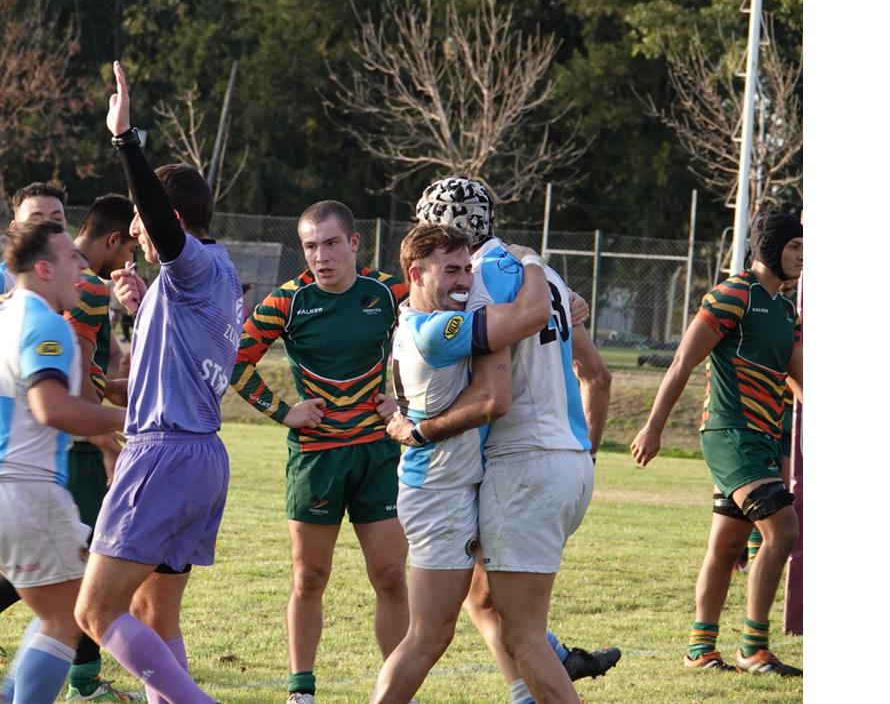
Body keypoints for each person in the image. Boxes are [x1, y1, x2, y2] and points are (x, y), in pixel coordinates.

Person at [407, 178, 620, 703]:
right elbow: (597, 374)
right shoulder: (540, 272)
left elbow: (492, 396)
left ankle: (546, 670)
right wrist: (583, 450)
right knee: (486, 597)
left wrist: (418, 427)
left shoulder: (473, 282)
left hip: (523, 464)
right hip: (569, 463)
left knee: (523, 633)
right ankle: (532, 686)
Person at [71, 61, 244, 704]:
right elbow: (182, 352)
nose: (135, 230)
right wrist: (144, 306)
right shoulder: (217, 278)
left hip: (163, 455)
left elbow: (163, 225)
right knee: (152, 616)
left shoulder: (192, 263)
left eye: (142, 220)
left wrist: (126, 141)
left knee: (94, 614)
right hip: (199, 455)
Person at [0, 193, 140, 702]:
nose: (82, 269)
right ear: (44, 268)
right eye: (73, 260)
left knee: (63, 612)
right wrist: (135, 421)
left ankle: (1, 691)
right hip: (23, 489)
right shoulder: (44, 322)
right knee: (71, 616)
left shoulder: (6, 319)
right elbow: (53, 407)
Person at [229, 199, 405, 704]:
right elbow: (236, 363)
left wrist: (407, 400)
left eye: (331, 243)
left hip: (377, 454)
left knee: (391, 576)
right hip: (316, 457)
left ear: (353, 243)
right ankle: (301, 691)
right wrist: (284, 411)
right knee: (310, 576)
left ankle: (398, 686)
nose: (321, 256)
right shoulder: (286, 302)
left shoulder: (391, 292)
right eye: (310, 246)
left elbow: (438, 341)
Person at [371, 224, 555, 703]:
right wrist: (534, 264)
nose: (465, 281)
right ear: (415, 273)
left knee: (485, 604)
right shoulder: (437, 331)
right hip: (438, 496)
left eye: (468, 269)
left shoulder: (421, 318)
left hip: (448, 488)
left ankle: (531, 681)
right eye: (451, 270)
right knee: (428, 637)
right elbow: (533, 314)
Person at [630, 209, 803, 676]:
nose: (802, 257)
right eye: (794, 247)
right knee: (782, 532)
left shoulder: (788, 310)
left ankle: (699, 649)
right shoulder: (733, 294)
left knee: (728, 545)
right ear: (769, 248)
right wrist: (654, 426)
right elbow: (682, 362)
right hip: (731, 435)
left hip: (763, 439)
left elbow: (802, 382)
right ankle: (754, 647)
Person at [0, 181, 70, 601]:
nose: (47, 228)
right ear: (13, 227)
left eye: (56, 220)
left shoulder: (74, 272)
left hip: (64, 425)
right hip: (21, 428)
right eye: (35, 219)